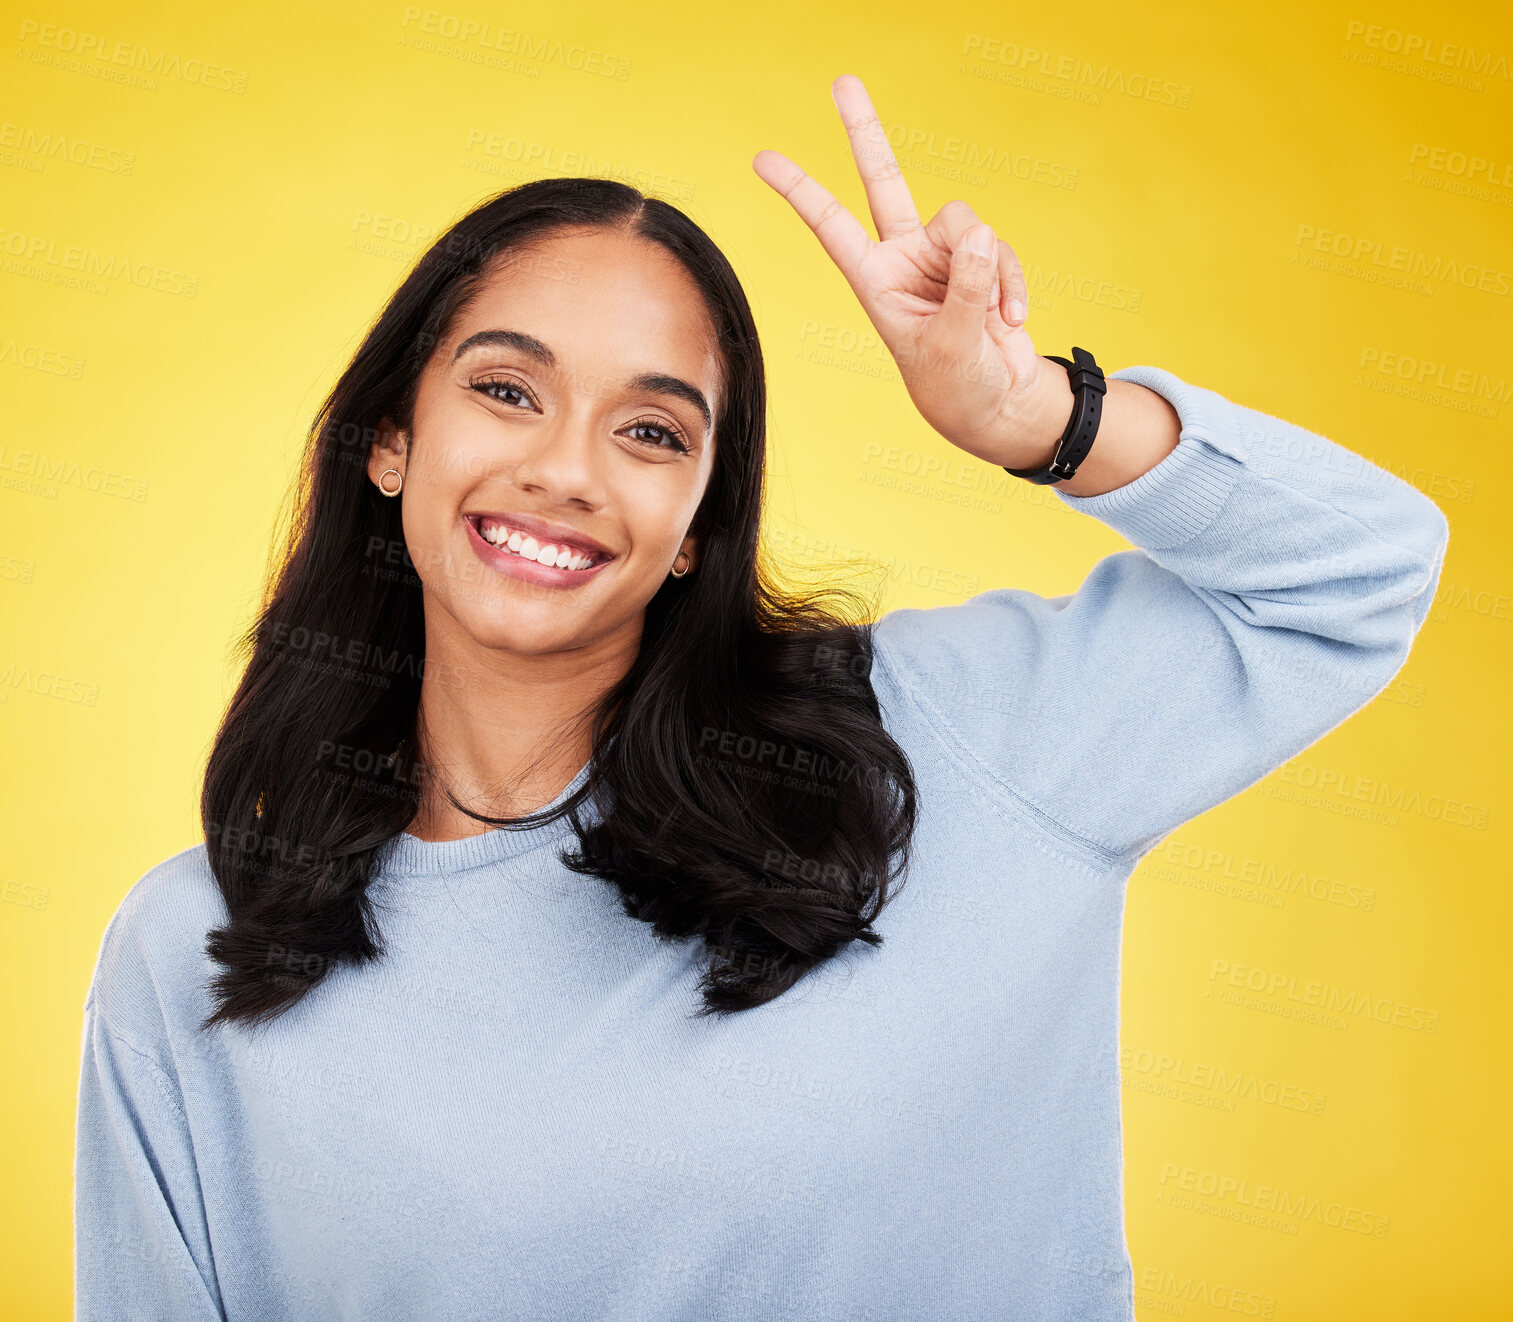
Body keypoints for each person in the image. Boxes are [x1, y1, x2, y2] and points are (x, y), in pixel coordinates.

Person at [74, 76, 1448, 1321]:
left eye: (652, 430)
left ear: (693, 528)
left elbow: (1358, 574)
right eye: (507, 390)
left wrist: (1038, 416)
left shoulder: (944, 741)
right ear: (391, 437)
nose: (566, 469)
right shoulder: (195, 948)